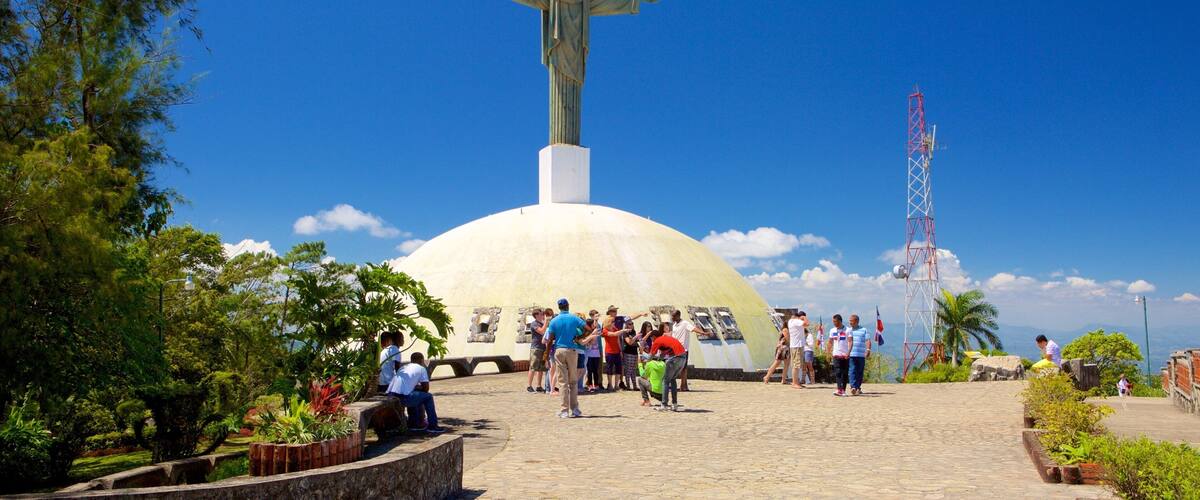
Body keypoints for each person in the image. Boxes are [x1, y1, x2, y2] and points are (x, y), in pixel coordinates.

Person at [547, 298, 599, 418]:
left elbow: (550, 339)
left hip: (559, 350)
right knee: (573, 381)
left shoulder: (554, 321)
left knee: (562, 382)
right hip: (572, 350)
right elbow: (589, 329)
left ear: (559, 307)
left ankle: (564, 410)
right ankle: (575, 409)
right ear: (568, 306)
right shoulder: (574, 318)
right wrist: (578, 337)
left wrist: (546, 354)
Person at [385, 352, 445, 434]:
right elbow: (426, 388)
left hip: (391, 395)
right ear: (421, 360)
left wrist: (415, 387)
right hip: (403, 398)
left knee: (415, 394)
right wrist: (418, 387)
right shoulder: (421, 368)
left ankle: (414, 424)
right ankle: (433, 426)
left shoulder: (403, 367)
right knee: (428, 397)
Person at [649, 333, 687, 411]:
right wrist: (660, 358)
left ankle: (664, 405)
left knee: (665, 381)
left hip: (675, 358)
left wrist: (645, 361)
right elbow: (663, 354)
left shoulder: (657, 341)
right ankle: (674, 404)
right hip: (683, 357)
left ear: (653, 337)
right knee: (672, 379)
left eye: (651, 338)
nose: (652, 341)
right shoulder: (666, 339)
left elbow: (651, 355)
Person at [670, 310, 706, 391]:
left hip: (683, 349)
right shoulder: (674, 325)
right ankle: (684, 385)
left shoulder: (685, 323)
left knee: (683, 368)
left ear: (678, 316)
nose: (672, 318)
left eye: (673, 316)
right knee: (675, 367)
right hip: (674, 348)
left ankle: (683, 386)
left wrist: (702, 333)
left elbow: (693, 329)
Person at [847, 314, 872, 396]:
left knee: (860, 371)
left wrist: (868, 350)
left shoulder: (864, 330)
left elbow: (868, 340)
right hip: (851, 354)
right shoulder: (848, 330)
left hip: (861, 354)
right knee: (852, 370)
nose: (850, 322)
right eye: (849, 321)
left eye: (852, 321)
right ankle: (853, 387)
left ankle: (858, 387)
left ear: (857, 321)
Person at [827, 314, 850, 397]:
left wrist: (849, 352)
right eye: (833, 321)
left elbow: (850, 341)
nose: (834, 323)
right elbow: (830, 342)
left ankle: (843, 389)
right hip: (836, 354)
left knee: (844, 373)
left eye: (835, 321)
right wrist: (828, 352)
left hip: (845, 354)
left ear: (840, 321)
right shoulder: (832, 330)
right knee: (838, 372)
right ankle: (839, 389)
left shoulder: (848, 330)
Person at [527, 309, 550, 393]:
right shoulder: (534, 324)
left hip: (543, 348)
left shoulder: (542, 324)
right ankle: (529, 386)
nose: (543, 315)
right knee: (533, 367)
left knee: (541, 368)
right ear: (536, 315)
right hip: (536, 348)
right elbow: (542, 331)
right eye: (541, 314)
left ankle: (539, 386)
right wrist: (546, 322)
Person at [621, 322, 648, 391]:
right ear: (626, 325)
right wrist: (636, 337)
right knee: (628, 370)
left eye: (632, 323)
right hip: (628, 353)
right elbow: (629, 342)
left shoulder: (633, 332)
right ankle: (628, 386)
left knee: (633, 370)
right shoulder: (625, 333)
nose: (631, 325)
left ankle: (635, 386)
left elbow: (636, 341)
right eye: (629, 324)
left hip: (634, 352)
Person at [762, 320, 791, 384]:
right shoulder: (785, 330)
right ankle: (766, 377)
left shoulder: (785, 330)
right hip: (783, 348)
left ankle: (783, 380)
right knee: (776, 363)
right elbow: (787, 339)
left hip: (785, 348)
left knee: (786, 364)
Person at [601, 312, 624, 391]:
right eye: (612, 322)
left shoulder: (615, 329)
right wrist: (623, 330)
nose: (614, 323)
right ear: (608, 323)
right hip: (609, 352)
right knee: (609, 369)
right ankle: (610, 384)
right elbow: (613, 335)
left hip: (617, 351)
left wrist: (620, 351)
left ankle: (616, 385)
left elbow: (617, 340)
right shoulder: (605, 330)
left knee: (618, 368)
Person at [787, 311, 809, 389]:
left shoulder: (790, 321)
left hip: (793, 346)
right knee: (796, 365)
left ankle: (796, 382)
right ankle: (795, 383)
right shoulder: (796, 321)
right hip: (797, 346)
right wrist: (804, 318)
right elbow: (807, 324)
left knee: (795, 365)